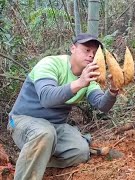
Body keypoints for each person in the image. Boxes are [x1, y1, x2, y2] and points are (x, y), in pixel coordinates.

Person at [7, 33, 119, 180]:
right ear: (73, 48)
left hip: (55, 126)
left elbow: (101, 105)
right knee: (44, 133)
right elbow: (47, 98)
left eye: (94, 52)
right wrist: (79, 83)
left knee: (81, 152)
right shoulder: (50, 64)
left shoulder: (89, 78)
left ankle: (34, 159)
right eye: (86, 50)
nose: (91, 55)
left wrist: (112, 91)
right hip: (22, 120)